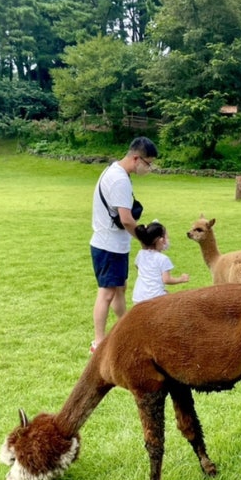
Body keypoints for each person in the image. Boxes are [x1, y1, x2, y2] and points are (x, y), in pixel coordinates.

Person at [89, 136, 158, 353]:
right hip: (109, 245)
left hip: (113, 243)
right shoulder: (119, 180)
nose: (149, 168)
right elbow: (126, 219)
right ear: (136, 158)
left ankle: (125, 328)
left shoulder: (116, 171)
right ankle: (98, 342)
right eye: (148, 163)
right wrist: (144, 238)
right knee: (107, 292)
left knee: (120, 289)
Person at [132, 221, 189, 304]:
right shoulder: (163, 259)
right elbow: (166, 279)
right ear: (161, 240)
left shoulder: (141, 253)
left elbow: (137, 266)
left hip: (138, 297)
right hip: (154, 298)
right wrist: (181, 279)